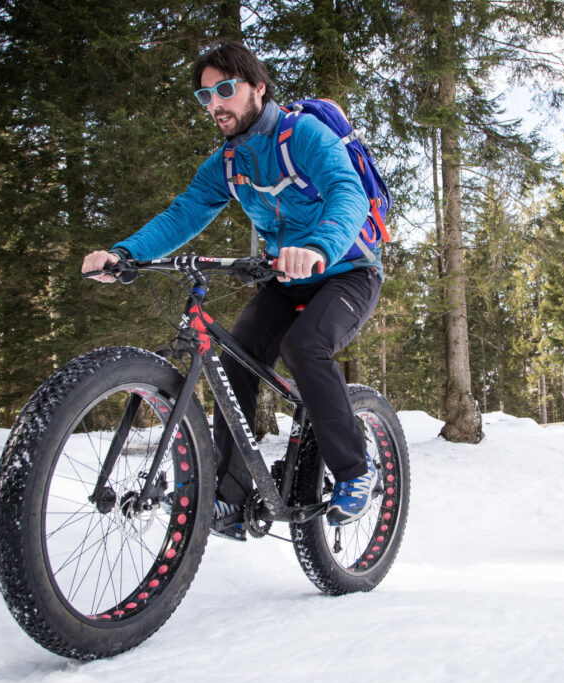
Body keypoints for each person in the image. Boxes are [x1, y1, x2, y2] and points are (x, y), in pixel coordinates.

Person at [81, 42, 383, 536]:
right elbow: (184, 212)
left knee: (304, 346)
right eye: (206, 96)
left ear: (257, 88)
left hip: (347, 270)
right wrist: (125, 253)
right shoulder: (227, 161)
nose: (215, 104)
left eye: (225, 89)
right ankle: (232, 496)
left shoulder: (302, 135)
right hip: (285, 278)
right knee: (238, 356)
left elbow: (346, 193)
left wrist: (320, 247)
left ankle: (355, 469)